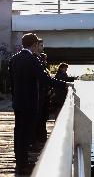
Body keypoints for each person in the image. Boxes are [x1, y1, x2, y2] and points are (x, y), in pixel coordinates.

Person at [9, 33, 67, 175]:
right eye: (37, 45)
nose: (38, 48)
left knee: (18, 133)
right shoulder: (33, 59)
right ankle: (23, 165)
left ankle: (20, 162)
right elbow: (45, 79)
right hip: (29, 103)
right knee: (26, 134)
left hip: (18, 102)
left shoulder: (13, 59)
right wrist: (64, 84)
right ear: (34, 45)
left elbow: (12, 83)